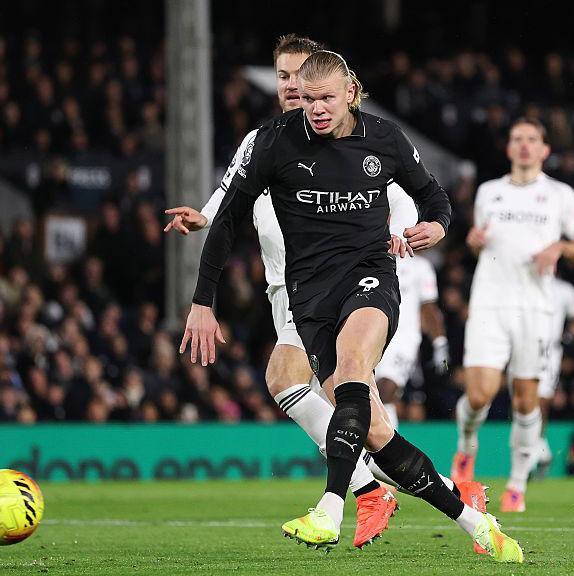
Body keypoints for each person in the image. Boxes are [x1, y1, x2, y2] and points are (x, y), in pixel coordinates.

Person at [179, 49, 522, 562]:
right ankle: (474, 519)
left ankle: (331, 505)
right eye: (308, 98)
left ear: (351, 94)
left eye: (325, 98)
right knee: (375, 430)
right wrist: (203, 301)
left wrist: (436, 226)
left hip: (369, 280)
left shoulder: (382, 139)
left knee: (354, 371)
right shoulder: (275, 141)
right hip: (310, 296)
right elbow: (228, 219)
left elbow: (435, 197)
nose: (315, 108)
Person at [165, 33, 427, 549]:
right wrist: (205, 217)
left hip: (343, 282)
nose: (292, 87)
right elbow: (229, 197)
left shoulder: (358, 137)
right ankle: (406, 491)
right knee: (323, 394)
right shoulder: (265, 140)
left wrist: (407, 227)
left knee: (324, 389)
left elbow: (401, 183)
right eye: (283, 77)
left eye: (302, 77)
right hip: (288, 289)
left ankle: (381, 491)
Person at [451, 118, 574, 513]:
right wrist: (474, 242)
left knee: (527, 399)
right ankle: (466, 446)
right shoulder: (489, 192)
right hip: (489, 301)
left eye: (533, 139)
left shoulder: (560, 195)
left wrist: (560, 248)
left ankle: (517, 485)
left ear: (545, 150)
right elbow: (482, 247)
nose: (525, 146)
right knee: (479, 394)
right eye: (518, 139)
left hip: (535, 307)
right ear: (509, 148)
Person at [374, 250, 448, 427]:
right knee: (365, 393)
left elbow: (429, 307)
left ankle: (383, 451)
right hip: (371, 336)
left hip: (402, 341)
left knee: (386, 390)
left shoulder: (421, 267)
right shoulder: (372, 257)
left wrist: (440, 342)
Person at [530, 275, 574, 478]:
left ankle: (534, 452)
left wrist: (569, 336)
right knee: (523, 402)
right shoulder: (525, 284)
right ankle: (539, 450)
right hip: (523, 348)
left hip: (549, 352)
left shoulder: (564, 289)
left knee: (541, 400)